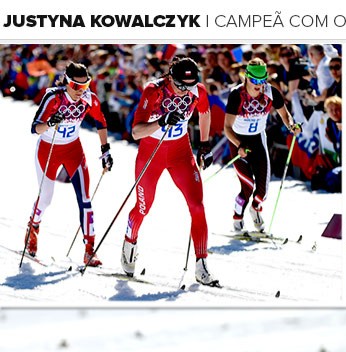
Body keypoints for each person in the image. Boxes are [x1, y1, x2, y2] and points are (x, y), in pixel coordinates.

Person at [120, 55, 218, 287]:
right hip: (151, 152)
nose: (186, 91)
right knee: (144, 206)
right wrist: (162, 121)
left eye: (191, 85)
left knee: (197, 205)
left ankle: (202, 263)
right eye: (181, 86)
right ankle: (129, 242)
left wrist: (204, 145)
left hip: (180, 152)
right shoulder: (153, 90)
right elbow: (136, 133)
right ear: (171, 77)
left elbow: (204, 112)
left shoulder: (198, 90)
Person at [25, 60, 113, 265]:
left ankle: (90, 249)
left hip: (73, 149)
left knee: (85, 199)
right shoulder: (53, 97)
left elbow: (101, 121)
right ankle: (33, 229)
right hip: (49, 149)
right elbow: (34, 128)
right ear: (66, 82)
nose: (80, 91)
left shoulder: (89, 98)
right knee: (46, 199)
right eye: (75, 86)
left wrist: (105, 150)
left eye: (84, 86)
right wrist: (50, 123)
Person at [224, 58, 301, 234]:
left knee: (262, 191)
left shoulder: (271, 92)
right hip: (238, 141)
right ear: (246, 78)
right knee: (247, 186)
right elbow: (227, 128)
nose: (259, 85)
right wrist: (239, 145)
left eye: (262, 80)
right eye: (255, 81)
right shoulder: (237, 95)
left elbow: (285, 114)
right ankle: (237, 216)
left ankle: (255, 209)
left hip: (258, 140)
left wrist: (291, 126)